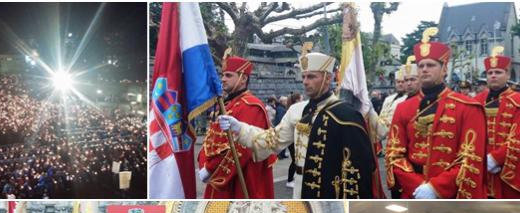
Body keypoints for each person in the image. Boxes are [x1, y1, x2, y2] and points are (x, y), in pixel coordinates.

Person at [218, 50, 378, 199]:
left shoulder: (346, 115)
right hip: (299, 188)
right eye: (304, 77)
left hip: (330, 191)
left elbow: (356, 169)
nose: (305, 82)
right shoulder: (296, 110)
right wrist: (240, 128)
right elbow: (273, 140)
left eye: (311, 77)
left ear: (328, 79)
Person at [385, 28, 487, 199]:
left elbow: (471, 157)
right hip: (414, 192)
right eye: (421, 66)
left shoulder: (469, 107)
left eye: (431, 65)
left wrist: (436, 188)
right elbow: (394, 154)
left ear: (444, 69)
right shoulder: (403, 108)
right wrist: (418, 185)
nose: (424, 70)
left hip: (452, 193)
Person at [198, 54, 275, 199]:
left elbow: (242, 149)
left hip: (239, 180)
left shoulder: (252, 106)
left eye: (228, 75)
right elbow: (211, 139)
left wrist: (210, 169)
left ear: (243, 78)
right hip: (219, 176)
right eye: (222, 75)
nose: (223, 79)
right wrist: (203, 162)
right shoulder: (227, 104)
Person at [476, 47, 520, 198]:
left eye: (498, 72)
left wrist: (494, 159)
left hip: (509, 168)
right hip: (479, 168)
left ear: (507, 75)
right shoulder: (476, 101)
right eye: (490, 73)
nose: (493, 76)